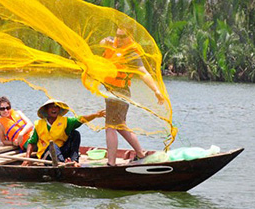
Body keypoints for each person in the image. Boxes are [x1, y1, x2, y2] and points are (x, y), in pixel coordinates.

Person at [100, 27, 165, 165]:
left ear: (130, 37)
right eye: (117, 35)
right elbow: (101, 43)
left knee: (110, 126)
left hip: (119, 92)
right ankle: (141, 154)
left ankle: (111, 163)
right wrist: (108, 43)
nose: (119, 39)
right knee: (120, 126)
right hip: (110, 91)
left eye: (123, 36)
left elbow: (144, 73)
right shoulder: (113, 45)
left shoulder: (131, 54)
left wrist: (156, 90)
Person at [24, 99, 105, 166]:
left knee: (75, 133)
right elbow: (32, 142)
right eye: (51, 107)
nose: (54, 109)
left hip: (62, 152)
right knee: (53, 145)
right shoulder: (38, 124)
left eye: (56, 107)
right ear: (46, 110)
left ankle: (74, 161)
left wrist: (95, 115)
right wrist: (27, 158)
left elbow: (80, 119)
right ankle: (63, 163)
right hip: (47, 155)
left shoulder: (65, 121)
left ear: (59, 109)